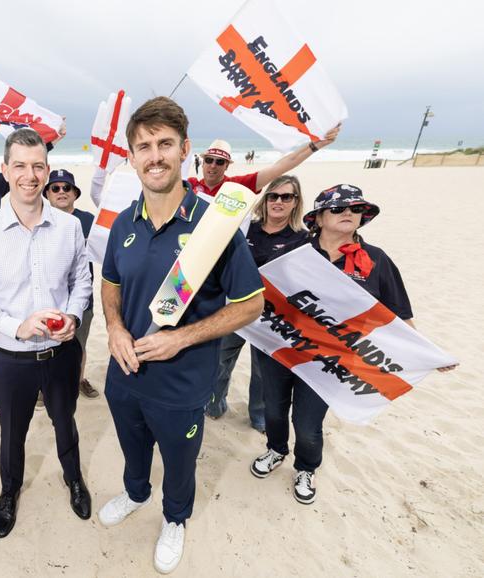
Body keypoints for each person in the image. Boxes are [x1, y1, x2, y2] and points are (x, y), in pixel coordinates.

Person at [99, 97, 264, 574]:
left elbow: (251, 304)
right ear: (131, 157)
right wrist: (113, 328)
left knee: (178, 460)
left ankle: (175, 519)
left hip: (182, 383)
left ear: (185, 149)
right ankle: (134, 494)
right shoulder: (123, 225)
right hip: (125, 374)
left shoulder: (215, 226)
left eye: (165, 144)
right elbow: (109, 283)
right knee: (132, 449)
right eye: (144, 146)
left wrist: (182, 338)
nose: (155, 156)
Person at [249, 184, 454, 504]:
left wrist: (427, 352)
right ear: (318, 217)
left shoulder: (375, 260)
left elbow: (398, 315)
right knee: (274, 410)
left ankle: (306, 467)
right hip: (282, 348)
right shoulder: (294, 250)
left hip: (331, 361)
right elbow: (262, 290)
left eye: (355, 209)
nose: (348, 213)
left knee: (307, 423)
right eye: (339, 208)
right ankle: (275, 450)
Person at [0, 128, 93, 539]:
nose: (29, 175)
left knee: (65, 421)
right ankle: (10, 491)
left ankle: (74, 479)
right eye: (20, 166)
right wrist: (16, 325)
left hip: (60, 353)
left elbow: (81, 279)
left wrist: (72, 315)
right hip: (10, 358)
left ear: (47, 170)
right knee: (11, 432)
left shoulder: (69, 227)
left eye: (37, 166)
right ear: (4, 170)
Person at [206, 175, 308, 429]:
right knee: (219, 359)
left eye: (286, 197)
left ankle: (259, 416)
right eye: (273, 196)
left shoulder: (302, 239)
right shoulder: (244, 228)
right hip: (236, 310)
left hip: (273, 317)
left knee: (263, 371)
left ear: (295, 202)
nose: (278, 201)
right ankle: (214, 404)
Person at [43, 169, 100, 399]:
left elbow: (106, 253)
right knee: (45, 347)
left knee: (79, 344)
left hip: (82, 297)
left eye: (66, 188)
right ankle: (43, 387)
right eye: (55, 188)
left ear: (75, 193)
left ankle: (78, 380)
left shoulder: (89, 221)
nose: (61, 192)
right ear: (47, 193)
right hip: (49, 297)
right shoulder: (39, 218)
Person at [188, 126, 340, 198]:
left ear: (227, 165)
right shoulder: (189, 185)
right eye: (209, 160)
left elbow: (281, 166)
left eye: (220, 162)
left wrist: (317, 144)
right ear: (203, 162)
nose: (213, 165)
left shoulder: (237, 186)